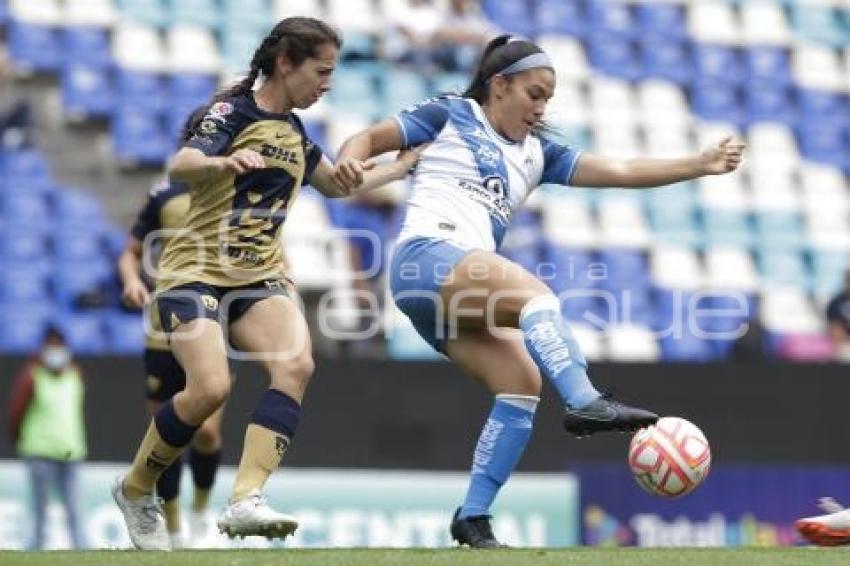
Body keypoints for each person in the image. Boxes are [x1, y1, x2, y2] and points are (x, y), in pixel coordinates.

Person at [333, 35, 746, 547]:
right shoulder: (450, 114)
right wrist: (349, 161)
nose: (542, 106)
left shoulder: (539, 153)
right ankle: (585, 400)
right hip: (426, 259)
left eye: (548, 97)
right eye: (535, 93)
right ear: (499, 85)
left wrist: (698, 164)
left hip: (446, 295)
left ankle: (473, 517)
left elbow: (618, 171)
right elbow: (367, 140)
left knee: (521, 383)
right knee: (535, 296)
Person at [111, 17, 421, 551]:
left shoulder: (298, 133)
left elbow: (335, 185)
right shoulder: (232, 112)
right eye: (321, 71)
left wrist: (399, 168)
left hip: (258, 274)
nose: (327, 83)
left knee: (297, 364)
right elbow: (183, 163)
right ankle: (136, 489)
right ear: (285, 63)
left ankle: (245, 500)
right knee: (210, 388)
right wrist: (221, 160)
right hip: (195, 270)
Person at [117, 163, 227, 548]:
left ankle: (200, 512)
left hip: (212, 323)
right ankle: (174, 525)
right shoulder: (164, 196)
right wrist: (132, 281)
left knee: (208, 431)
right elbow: (129, 253)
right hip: (163, 328)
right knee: (167, 433)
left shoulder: (237, 193)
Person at [7, 326, 87, 550]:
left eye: (59, 346)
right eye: (51, 346)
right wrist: (22, 440)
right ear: (43, 349)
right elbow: (16, 412)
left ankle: (82, 549)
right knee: (39, 508)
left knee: (74, 507)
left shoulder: (75, 375)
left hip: (71, 451)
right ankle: (35, 548)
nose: (55, 351)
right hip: (40, 452)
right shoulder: (32, 376)